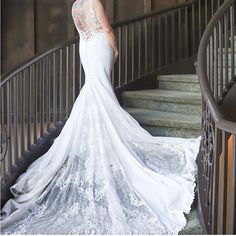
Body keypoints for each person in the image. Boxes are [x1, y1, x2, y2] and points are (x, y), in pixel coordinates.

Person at [0, 0, 200, 234]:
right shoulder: (94, 1)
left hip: (85, 48)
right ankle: (107, 136)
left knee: (94, 91)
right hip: (99, 46)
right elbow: (107, 29)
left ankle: (100, 134)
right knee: (101, 92)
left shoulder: (75, 5)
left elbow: (83, 29)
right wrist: (114, 49)